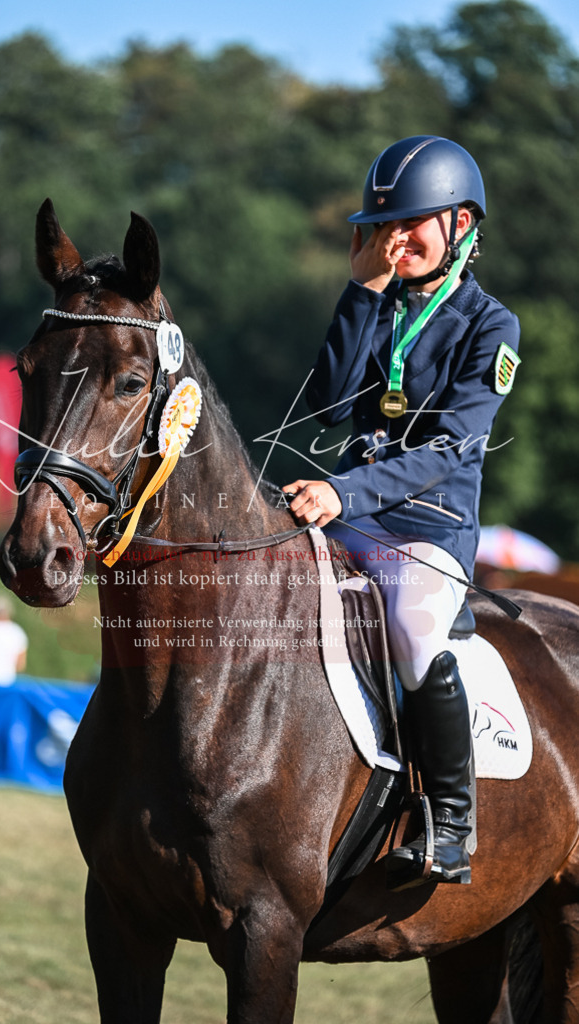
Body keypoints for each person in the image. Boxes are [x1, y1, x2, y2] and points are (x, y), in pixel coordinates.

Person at [284, 135, 520, 890]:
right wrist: (359, 291)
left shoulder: (492, 327)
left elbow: (455, 447)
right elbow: (324, 407)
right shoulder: (377, 304)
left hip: (428, 526)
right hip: (348, 509)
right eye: (385, 226)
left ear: (463, 226)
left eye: (415, 222)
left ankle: (451, 826)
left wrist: (344, 493)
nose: (396, 239)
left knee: (417, 639)